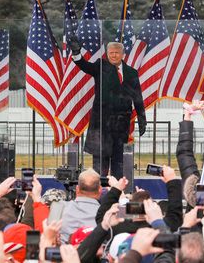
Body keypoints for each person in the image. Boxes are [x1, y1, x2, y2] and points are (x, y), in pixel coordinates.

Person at [69, 38, 147, 178]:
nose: (113, 55)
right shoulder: (100, 67)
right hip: (101, 125)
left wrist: (142, 119)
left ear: (123, 54)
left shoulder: (132, 73)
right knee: (100, 165)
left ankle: (116, 191)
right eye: (111, 52)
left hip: (121, 125)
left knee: (118, 163)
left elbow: (138, 97)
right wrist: (76, 53)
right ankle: (98, 192)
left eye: (116, 52)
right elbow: (84, 65)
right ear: (107, 53)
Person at [59, 168, 102, 243]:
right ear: (100, 190)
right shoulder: (107, 215)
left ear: (77, 189)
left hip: (65, 252)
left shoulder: (60, 209)